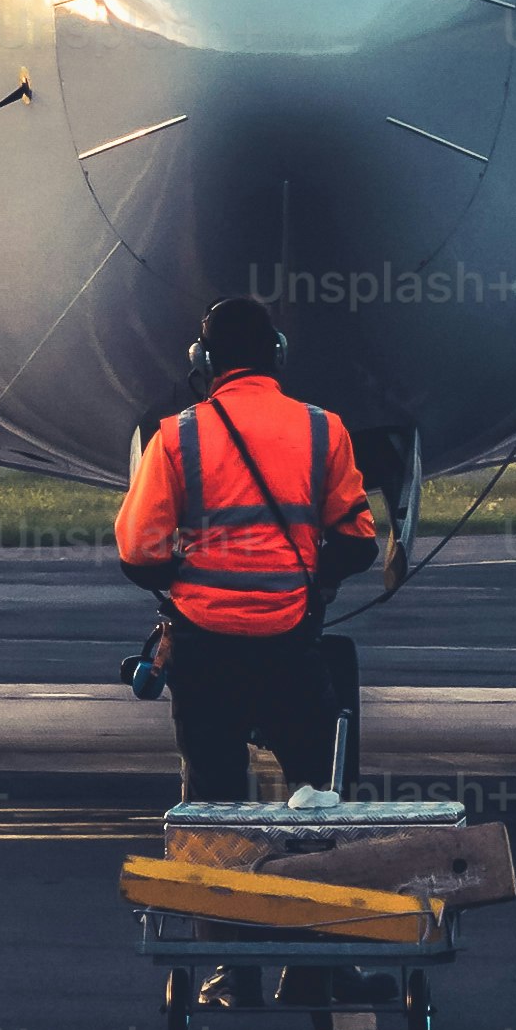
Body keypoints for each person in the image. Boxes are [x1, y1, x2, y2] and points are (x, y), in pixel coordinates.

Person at [112, 294, 379, 801]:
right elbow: (358, 544)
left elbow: (138, 552)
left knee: (213, 797)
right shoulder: (325, 429)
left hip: (205, 649)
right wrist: (312, 583)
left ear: (203, 362)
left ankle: (219, 873)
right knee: (319, 793)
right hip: (289, 643)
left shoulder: (174, 437)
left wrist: (188, 580)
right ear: (277, 354)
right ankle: (316, 869)